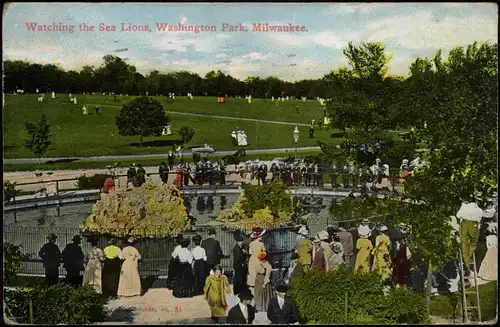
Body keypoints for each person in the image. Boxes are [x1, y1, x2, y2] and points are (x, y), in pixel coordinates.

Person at [247, 227, 267, 296]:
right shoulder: (261, 244)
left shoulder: (251, 244)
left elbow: (250, 252)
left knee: (253, 274)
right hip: (259, 258)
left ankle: (253, 292)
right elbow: (264, 253)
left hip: (252, 260)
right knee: (259, 274)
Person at [232, 231, 249, 296]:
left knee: (242, 279)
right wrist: (242, 264)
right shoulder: (236, 249)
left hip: (242, 266)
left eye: (242, 241)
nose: (242, 242)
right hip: (238, 266)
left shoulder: (242, 247)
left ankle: (241, 291)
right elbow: (237, 259)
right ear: (237, 242)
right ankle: (237, 292)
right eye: (240, 241)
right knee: (238, 279)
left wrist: (245, 253)